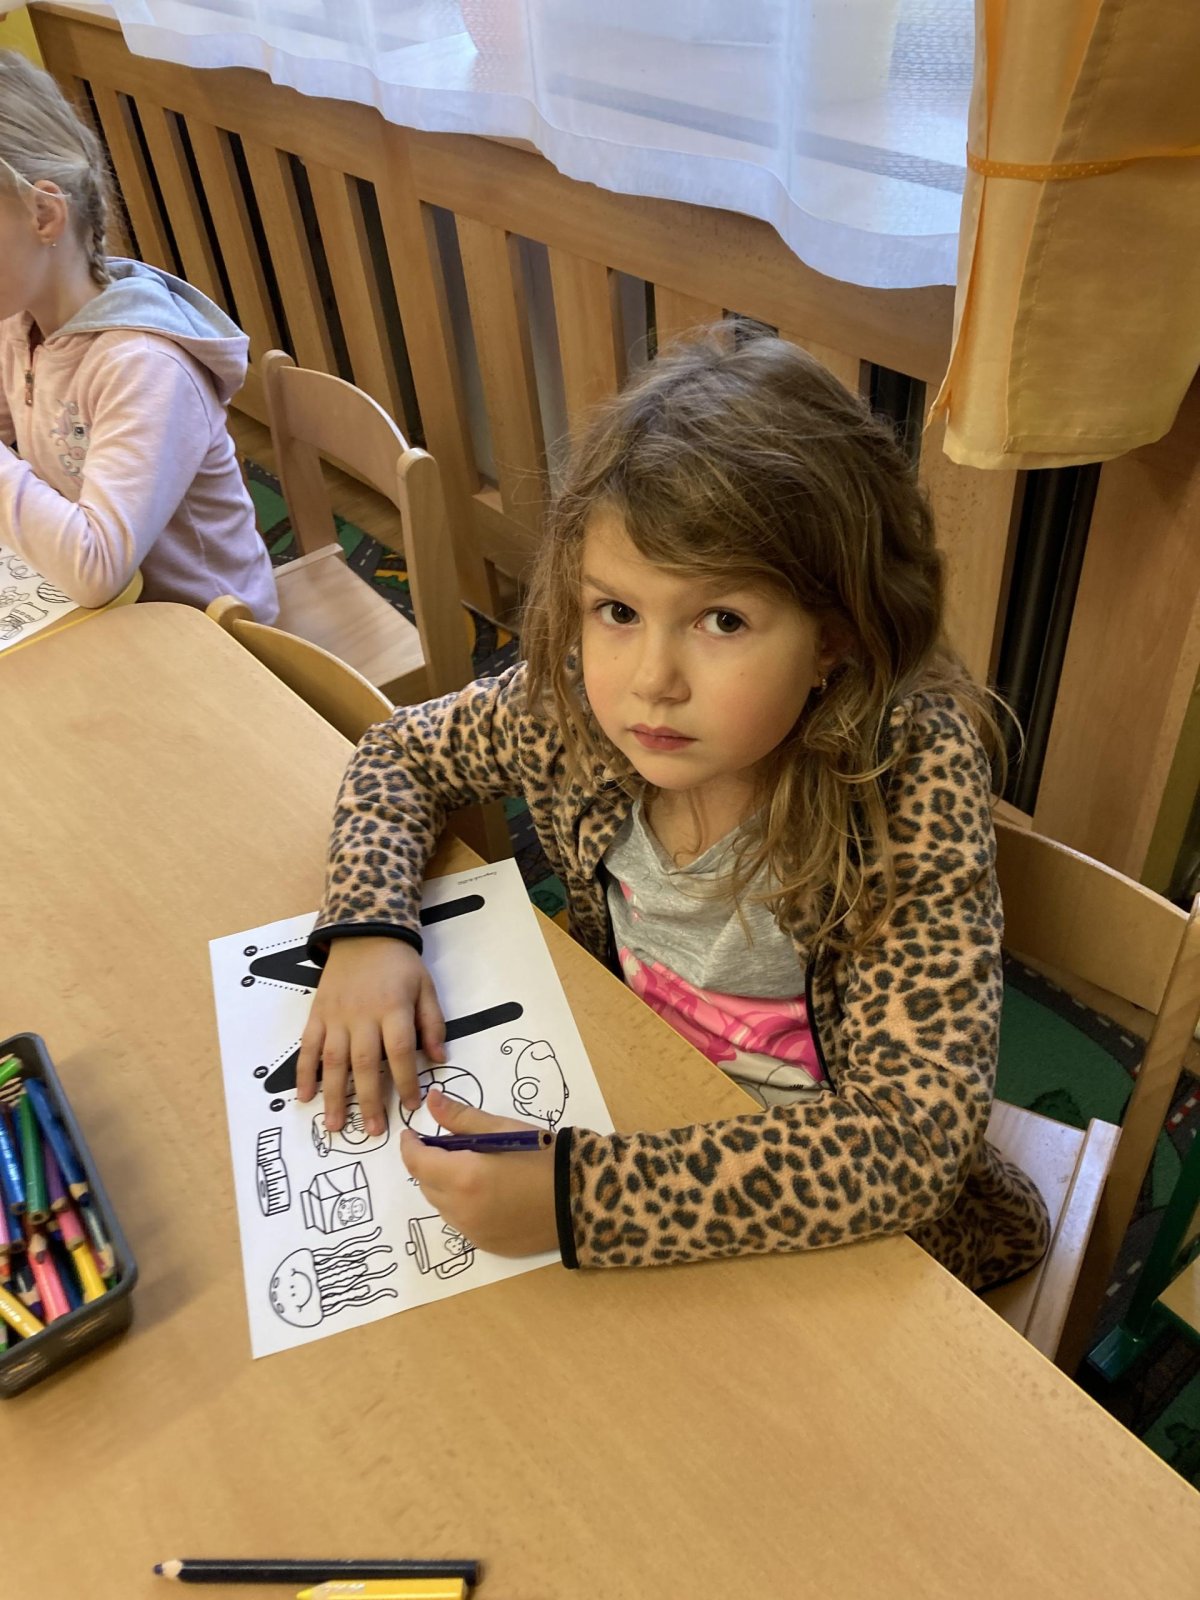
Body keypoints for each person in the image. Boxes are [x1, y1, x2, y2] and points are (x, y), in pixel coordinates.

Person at [298, 322, 1050, 1289]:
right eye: (617, 611)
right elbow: (400, 753)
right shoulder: (579, 712)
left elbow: (910, 1143)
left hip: (849, 1223)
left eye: (721, 620)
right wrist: (370, 930)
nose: (651, 680)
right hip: (642, 1095)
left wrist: (584, 1199)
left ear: (832, 639)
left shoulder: (906, 783)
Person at [0, 50, 277, 618]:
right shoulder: (19, 322)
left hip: (216, 635)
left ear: (44, 215)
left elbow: (96, 568)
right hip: (114, 616)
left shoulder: (143, 364)